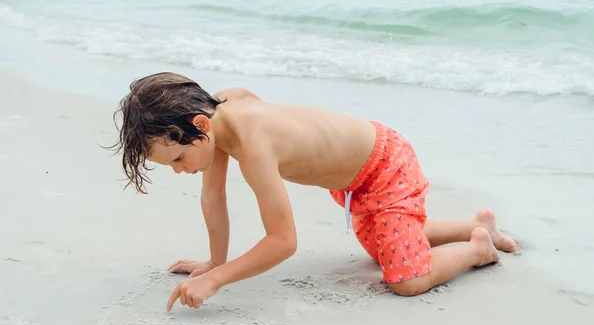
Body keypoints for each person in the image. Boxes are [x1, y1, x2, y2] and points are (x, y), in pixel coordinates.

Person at [110, 72, 517, 311]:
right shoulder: (218, 115)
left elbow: (283, 242)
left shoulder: (254, 145)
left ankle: (477, 248)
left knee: (405, 279)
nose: (181, 170)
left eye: (178, 159)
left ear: (199, 126)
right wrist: (213, 263)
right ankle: (475, 223)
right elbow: (213, 197)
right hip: (357, 178)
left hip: (386, 165)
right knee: (382, 247)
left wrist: (218, 282)